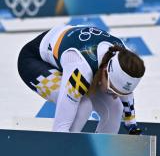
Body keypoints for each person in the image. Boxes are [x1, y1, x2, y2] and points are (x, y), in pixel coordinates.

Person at [17, 25, 146, 133]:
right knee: (83, 106)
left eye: (120, 92)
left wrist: (132, 126)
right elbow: (60, 129)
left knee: (116, 107)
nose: (114, 95)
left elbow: (127, 103)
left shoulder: (124, 58)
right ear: (106, 72)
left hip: (67, 53)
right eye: (112, 89)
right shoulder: (81, 68)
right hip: (33, 60)